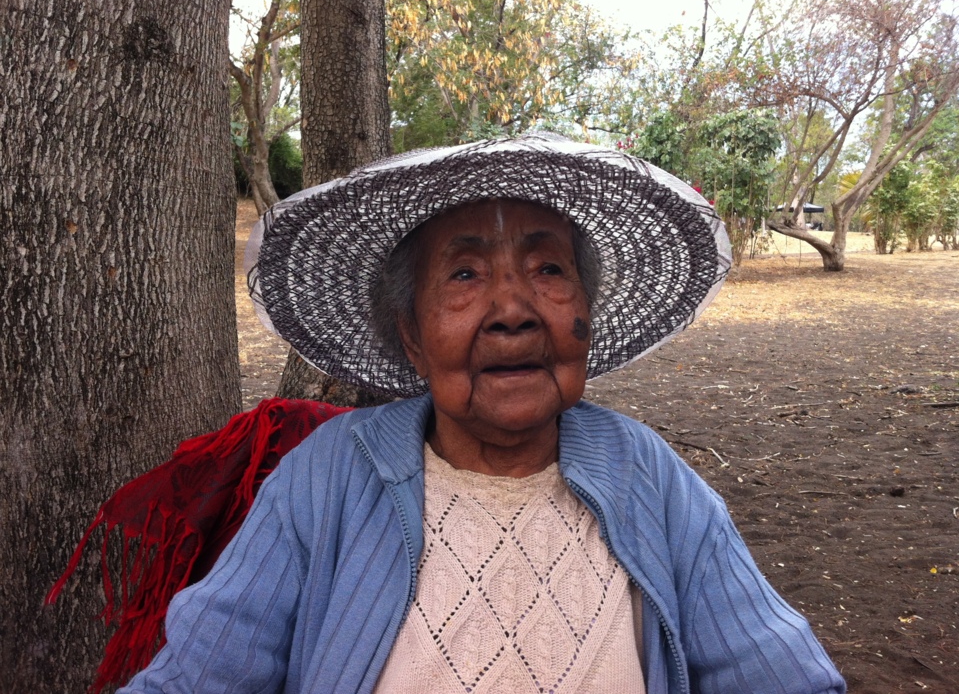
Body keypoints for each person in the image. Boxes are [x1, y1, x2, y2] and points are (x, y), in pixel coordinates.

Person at [120, 134, 845, 693]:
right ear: (411, 335)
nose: (512, 310)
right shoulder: (325, 478)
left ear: (585, 312)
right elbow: (197, 674)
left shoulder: (651, 479)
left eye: (548, 269)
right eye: (464, 274)